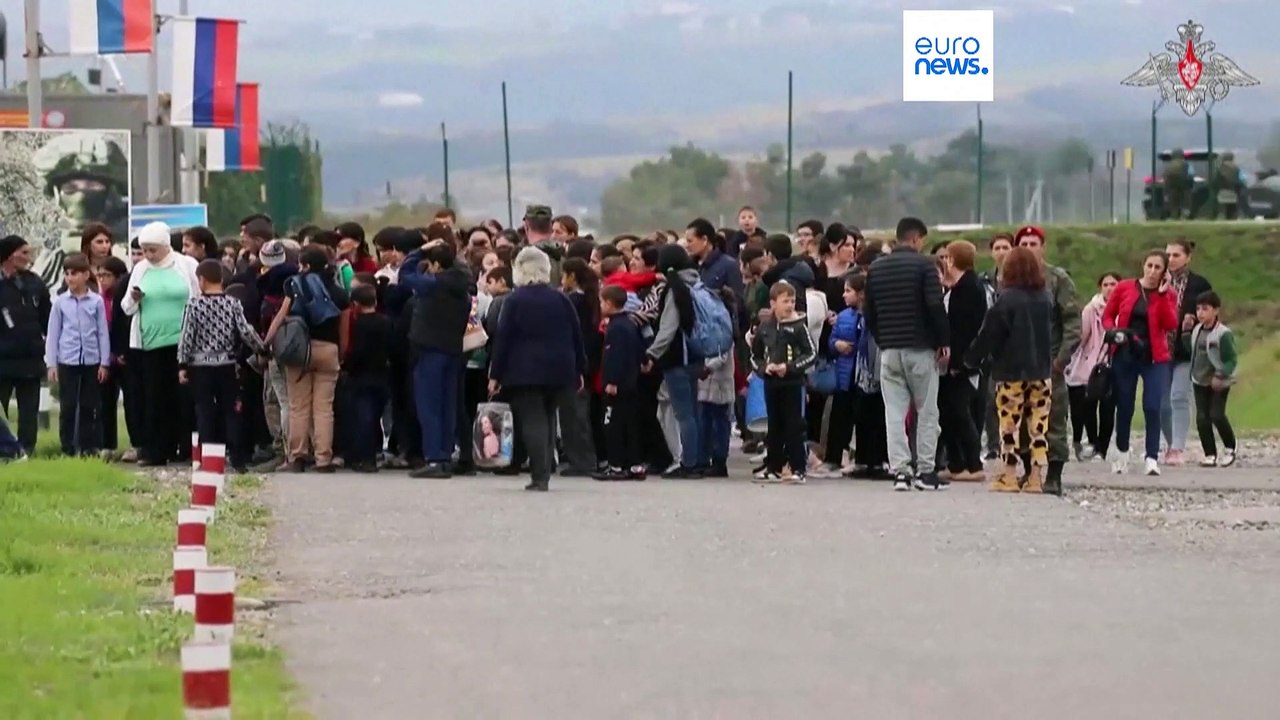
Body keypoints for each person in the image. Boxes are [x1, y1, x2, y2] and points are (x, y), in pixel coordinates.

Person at [488, 246, 586, 492]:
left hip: (524, 371)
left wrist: (495, 375)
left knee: (533, 420)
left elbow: (504, 339)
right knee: (550, 415)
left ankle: (540, 475)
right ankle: (547, 467)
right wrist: (580, 369)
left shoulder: (514, 301)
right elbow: (577, 336)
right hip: (560, 369)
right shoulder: (561, 298)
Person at [862, 217, 950, 492]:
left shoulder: (876, 268)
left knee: (894, 412)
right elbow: (935, 305)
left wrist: (883, 338)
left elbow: (869, 312)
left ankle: (900, 471)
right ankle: (925, 470)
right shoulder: (925, 265)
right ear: (916, 239)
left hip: (889, 351)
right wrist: (943, 341)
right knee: (926, 411)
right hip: (921, 348)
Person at [965, 247, 1054, 493]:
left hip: (1010, 371)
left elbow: (990, 334)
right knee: (1038, 427)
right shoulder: (1045, 297)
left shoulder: (1007, 299)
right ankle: (1036, 477)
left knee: (1009, 425)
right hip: (1041, 370)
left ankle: (1010, 475)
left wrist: (972, 358)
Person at [121, 222, 200, 466]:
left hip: (182, 343)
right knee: (155, 398)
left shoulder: (186, 265)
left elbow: (197, 298)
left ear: (166, 247)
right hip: (150, 345)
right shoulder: (141, 269)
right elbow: (126, 307)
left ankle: (186, 449)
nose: (148, 255)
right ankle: (156, 450)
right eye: (145, 250)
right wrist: (134, 298)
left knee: (182, 397)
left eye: (153, 250)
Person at [265, 246, 349, 473]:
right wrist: (340, 354)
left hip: (299, 352)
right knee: (324, 408)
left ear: (307, 266)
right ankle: (323, 458)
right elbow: (344, 329)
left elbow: (281, 317)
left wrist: (266, 344)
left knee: (298, 406)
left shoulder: (295, 286)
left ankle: (297, 456)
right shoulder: (339, 291)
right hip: (328, 350)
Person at [177, 259, 266, 473]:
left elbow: (186, 336)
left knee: (205, 411)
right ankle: (237, 458)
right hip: (227, 364)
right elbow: (245, 331)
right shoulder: (233, 303)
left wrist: (182, 363)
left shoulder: (194, 305)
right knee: (231, 411)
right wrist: (262, 348)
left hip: (200, 366)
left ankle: (209, 460)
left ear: (201, 280)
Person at [1013, 226, 1080, 496]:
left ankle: (1053, 476)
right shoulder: (1010, 278)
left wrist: (1061, 358)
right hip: (1017, 363)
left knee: (1053, 418)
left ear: (1043, 247)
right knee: (1019, 419)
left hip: (1048, 361)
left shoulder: (1057, 279)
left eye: (1034, 242)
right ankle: (1029, 471)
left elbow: (1073, 322)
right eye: (1024, 243)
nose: (1029, 247)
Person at [1102, 250, 1179, 476]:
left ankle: (1152, 456)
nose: (1153, 271)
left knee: (1153, 405)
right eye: (1149, 266)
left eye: (1158, 268)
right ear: (1143, 266)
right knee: (1124, 404)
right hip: (1125, 352)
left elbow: (1171, 323)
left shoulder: (1168, 294)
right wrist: (1113, 331)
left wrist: (1163, 295)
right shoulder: (1125, 287)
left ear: (1164, 272)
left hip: (1154, 356)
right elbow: (1107, 316)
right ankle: (1122, 451)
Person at [400, 241, 472, 479]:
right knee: (448, 405)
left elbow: (406, 273)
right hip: (452, 350)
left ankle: (434, 458)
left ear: (437, 265)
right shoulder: (462, 290)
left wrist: (419, 250)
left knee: (429, 405)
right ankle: (445, 453)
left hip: (429, 349)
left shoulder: (432, 285)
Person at [643, 245, 705, 479]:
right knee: (694, 412)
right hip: (697, 355)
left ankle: (687, 462)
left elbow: (668, 328)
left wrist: (652, 353)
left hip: (677, 357)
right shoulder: (696, 282)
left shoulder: (674, 289)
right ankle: (699, 459)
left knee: (683, 413)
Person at [750, 281, 817, 484]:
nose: (789, 305)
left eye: (792, 301)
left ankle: (798, 467)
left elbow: (811, 353)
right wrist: (764, 369)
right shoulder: (764, 328)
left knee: (793, 425)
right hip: (771, 383)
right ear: (773, 304)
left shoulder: (798, 326)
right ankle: (774, 467)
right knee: (774, 426)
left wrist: (789, 368)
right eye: (785, 301)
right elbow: (755, 356)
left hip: (792, 383)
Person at [45, 254, 110, 456]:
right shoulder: (60, 303)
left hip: (91, 359)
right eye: (67, 274)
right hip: (68, 359)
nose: (70, 278)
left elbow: (102, 332)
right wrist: (52, 363)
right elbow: (53, 333)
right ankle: (68, 447)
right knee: (69, 405)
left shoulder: (96, 301)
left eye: (74, 274)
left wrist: (104, 362)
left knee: (90, 405)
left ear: (85, 275)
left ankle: (89, 446)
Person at [936, 240, 987, 482]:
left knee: (959, 412)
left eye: (947, 257)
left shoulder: (969, 287)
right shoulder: (957, 286)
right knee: (946, 412)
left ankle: (973, 464)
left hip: (962, 362)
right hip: (950, 362)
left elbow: (965, 329)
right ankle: (955, 463)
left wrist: (958, 361)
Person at [1161, 239, 1212, 466]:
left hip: (1185, 349)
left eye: (1176, 255)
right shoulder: (1157, 280)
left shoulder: (1199, 284)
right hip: (1159, 348)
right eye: (1168, 255)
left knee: (1179, 396)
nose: (1170, 260)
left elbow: (1209, 313)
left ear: (1188, 257)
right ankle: (1170, 442)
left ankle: (1177, 447)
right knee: (1160, 402)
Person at [0, 235, 53, 455]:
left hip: (30, 358)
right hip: (3, 359)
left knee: (28, 410)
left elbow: (47, 318)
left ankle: (26, 450)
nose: (28, 258)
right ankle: (5, 449)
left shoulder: (33, 283)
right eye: (23, 253)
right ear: (9, 255)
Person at [1065, 272, 1121, 461]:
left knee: (1108, 408)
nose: (1110, 288)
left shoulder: (1124, 309)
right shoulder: (1091, 309)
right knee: (1088, 405)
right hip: (1092, 363)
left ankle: (1101, 449)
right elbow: (1083, 336)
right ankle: (1092, 441)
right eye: (1106, 284)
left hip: (1114, 362)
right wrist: (1070, 357)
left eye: (1113, 284)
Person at [594, 285, 647, 481]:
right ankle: (633, 464)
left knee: (611, 424)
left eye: (601, 302)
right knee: (629, 425)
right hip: (631, 383)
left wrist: (612, 380)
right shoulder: (630, 323)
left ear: (609, 303)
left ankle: (615, 465)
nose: (600, 306)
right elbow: (637, 346)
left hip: (617, 385)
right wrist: (644, 361)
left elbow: (614, 355)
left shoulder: (615, 328)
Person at [342, 284, 392, 473]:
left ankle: (366, 458)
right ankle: (374, 452)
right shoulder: (385, 322)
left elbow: (357, 351)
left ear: (356, 304)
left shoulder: (358, 324)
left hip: (362, 376)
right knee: (375, 415)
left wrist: (347, 366)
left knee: (363, 418)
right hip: (382, 375)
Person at [1185, 291, 1238, 467]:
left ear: (1215, 310)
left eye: (1205, 309)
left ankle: (1230, 448)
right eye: (1198, 308)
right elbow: (1191, 351)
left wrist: (1220, 374)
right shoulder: (1196, 330)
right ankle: (1209, 454)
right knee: (1202, 418)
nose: (1200, 313)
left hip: (1218, 382)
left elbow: (1231, 359)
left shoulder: (1223, 334)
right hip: (1199, 379)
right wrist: (1185, 332)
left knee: (1216, 414)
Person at [824, 272, 863, 475]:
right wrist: (836, 344)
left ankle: (859, 457)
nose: (844, 295)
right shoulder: (843, 316)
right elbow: (832, 340)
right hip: (844, 374)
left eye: (849, 291)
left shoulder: (867, 317)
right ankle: (833, 456)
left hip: (862, 375)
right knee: (839, 417)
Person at [697, 288, 738, 478]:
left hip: (719, 380)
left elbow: (722, 353)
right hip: (708, 382)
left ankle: (719, 459)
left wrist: (707, 368)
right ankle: (706, 457)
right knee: (706, 419)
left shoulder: (725, 326)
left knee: (719, 421)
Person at [97, 256, 128, 455]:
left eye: (107, 275)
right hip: (104, 358)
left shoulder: (125, 299)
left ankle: (137, 444)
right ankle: (107, 445)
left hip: (123, 357)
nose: (102, 280)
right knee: (105, 402)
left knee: (131, 402)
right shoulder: (98, 300)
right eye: (99, 275)